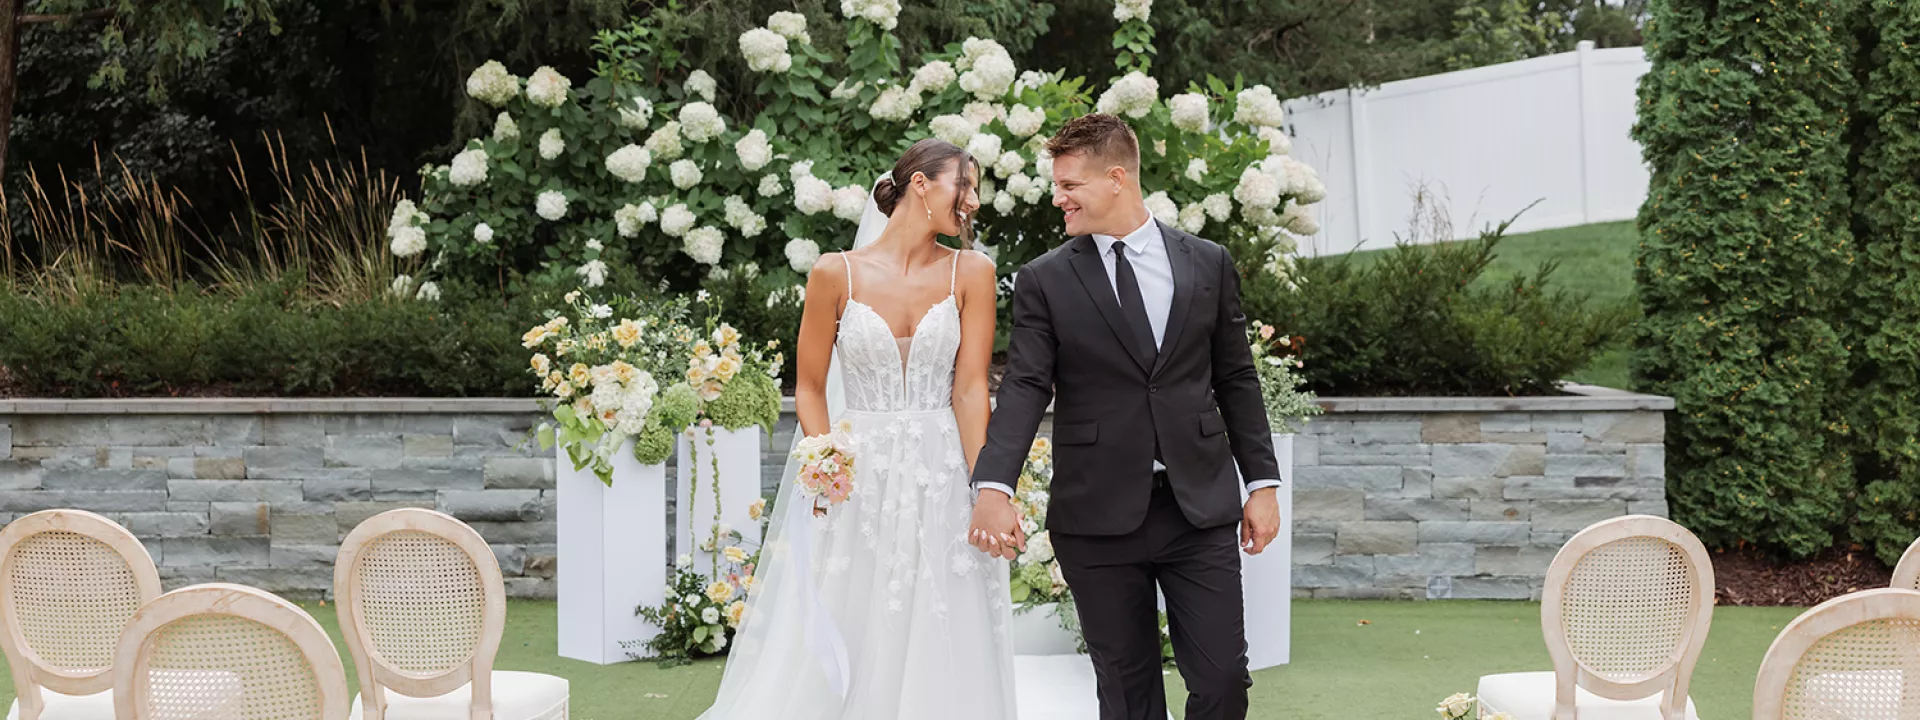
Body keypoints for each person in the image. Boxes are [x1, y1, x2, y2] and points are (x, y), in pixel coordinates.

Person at [968, 113, 1284, 720]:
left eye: (1069, 185)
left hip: (1198, 506)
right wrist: (994, 485)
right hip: (1095, 514)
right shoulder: (1044, 279)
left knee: (1222, 680)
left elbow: (1236, 377)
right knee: (1127, 690)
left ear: (1116, 178)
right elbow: (1028, 386)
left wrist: (1262, 484)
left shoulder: (1209, 263)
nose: (1057, 197)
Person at [697, 138, 1015, 719]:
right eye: (963, 187)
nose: (971, 201)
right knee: (859, 608)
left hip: (941, 466)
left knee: (944, 610)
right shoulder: (833, 273)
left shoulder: (972, 273)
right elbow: (810, 386)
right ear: (921, 184)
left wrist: (987, 487)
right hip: (855, 473)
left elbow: (970, 390)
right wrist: (824, 461)